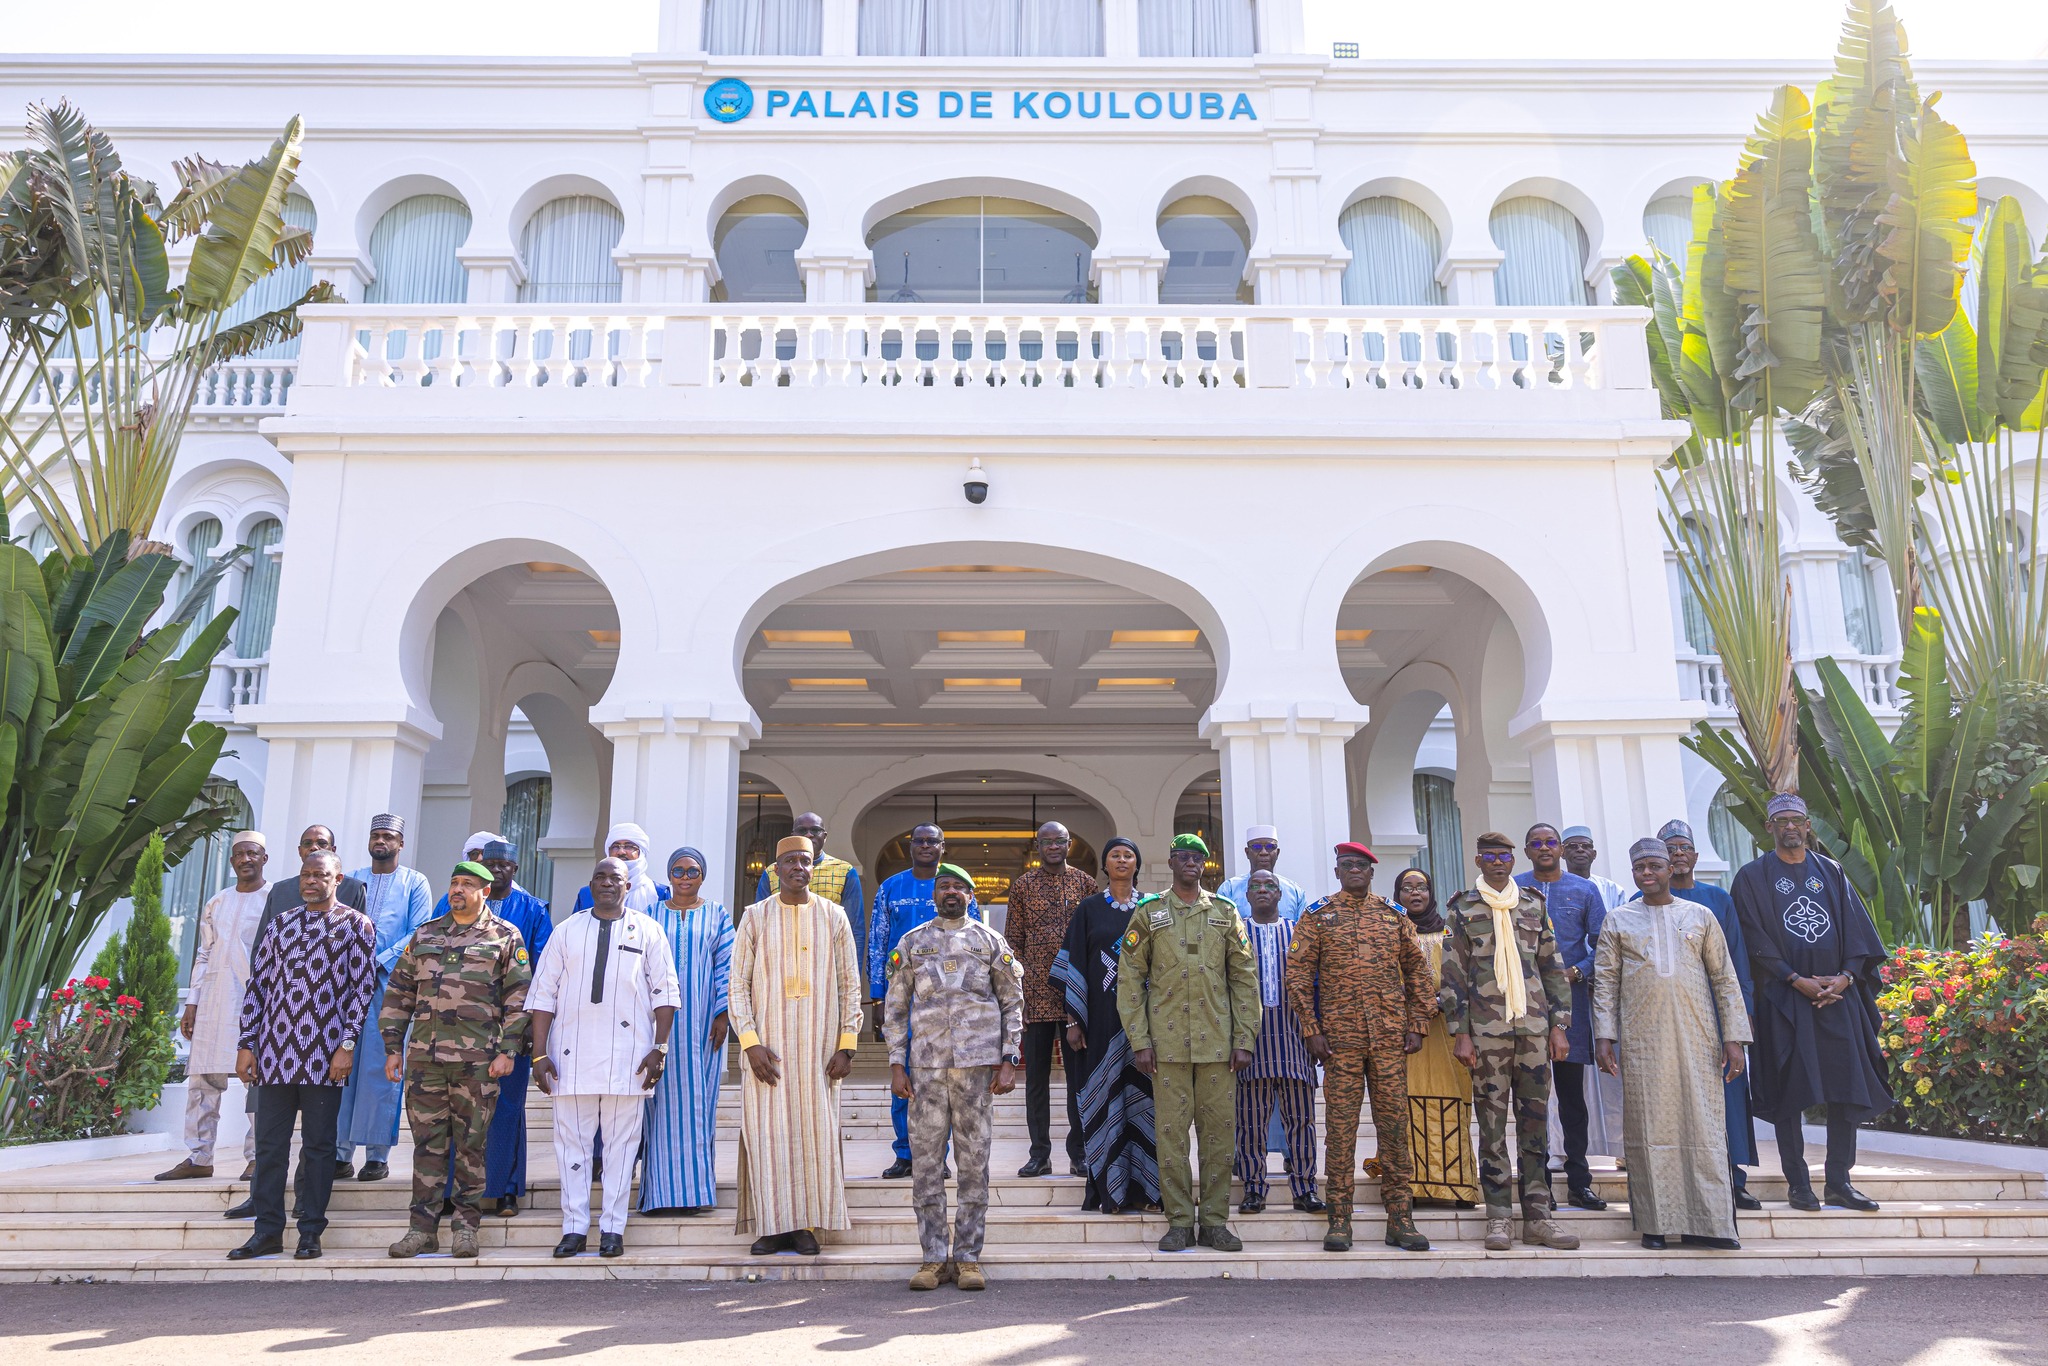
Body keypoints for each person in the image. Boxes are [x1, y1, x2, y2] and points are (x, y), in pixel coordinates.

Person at [1732, 794, 1892, 1214]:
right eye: (1781, 820)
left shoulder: (1831, 871)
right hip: (1786, 1001)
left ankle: (1839, 1181)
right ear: (1769, 827)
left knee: (1846, 1088)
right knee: (1790, 1092)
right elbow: (1753, 937)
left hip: (1838, 999)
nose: (1790, 826)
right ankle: (1798, 1184)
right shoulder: (1752, 877)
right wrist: (1794, 979)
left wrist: (1845, 977)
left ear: (1807, 826)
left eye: (1797, 820)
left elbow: (1857, 931)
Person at [1595, 838, 1753, 1251]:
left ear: (1669, 869)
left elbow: (1725, 979)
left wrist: (1733, 1038)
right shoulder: (1618, 920)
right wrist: (1603, 1036)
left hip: (1699, 1036)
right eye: (1639, 869)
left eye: (1654, 867)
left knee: (1703, 1124)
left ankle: (1711, 1224)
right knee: (1649, 1127)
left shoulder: (1700, 916)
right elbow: (1606, 983)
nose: (1647, 874)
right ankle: (1655, 1223)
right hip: (1642, 1040)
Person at [227, 851, 377, 1262]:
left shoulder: (356, 925)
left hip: (324, 1058)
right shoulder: (280, 924)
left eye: (320, 875)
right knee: (270, 1147)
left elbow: (361, 991)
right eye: (305, 875)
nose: (310, 881)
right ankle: (267, 1231)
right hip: (274, 1056)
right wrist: (246, 1044)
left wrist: (346, 1046)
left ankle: (310, 1231)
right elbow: (257, 987)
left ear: (338, 878)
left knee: (318, 1148)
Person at [528, 857, 679, 1258]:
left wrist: (659, 1049)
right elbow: (542, 995)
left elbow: (666, 994)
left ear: (628, 887)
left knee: (621, 1148)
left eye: (616, 878)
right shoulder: (566, 930)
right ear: (590, 884)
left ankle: (613, 1229)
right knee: (571, 1147)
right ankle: (574, 1227)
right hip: (569, 1056)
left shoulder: (648, 930)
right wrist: (538, 1054)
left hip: (628, 1056)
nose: (608, 883)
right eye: (601, 877)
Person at [884, 864, 1024, 1292]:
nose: (950, 892)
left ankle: (967, 1257)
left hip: (976, 1070)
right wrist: (895, 1062)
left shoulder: (989, 942)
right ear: (934, 894)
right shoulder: (912, 943)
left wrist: (1009, 1058)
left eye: (958, 887)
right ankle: (931, 1258)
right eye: (943, 886)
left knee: (974, 1163)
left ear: (970, 893)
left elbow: (1012, 1003)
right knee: (926, 1164)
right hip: (925, 1069)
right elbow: (895, 1006)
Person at [382, 861, 532, 1260]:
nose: (457, 890)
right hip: (424, 1061)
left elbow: (519, 1001)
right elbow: (399, 994)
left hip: (477, 1062)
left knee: (471, 1146)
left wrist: (508, 1051)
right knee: (427, 1145)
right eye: (454, 883)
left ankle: (466, 1227)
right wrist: (393, 1047)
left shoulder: (504, 936)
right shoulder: (426, 934)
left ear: (485, 891)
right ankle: (421, 1230)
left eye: (467, 884)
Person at [1285, 843, 1431, 1252]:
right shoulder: (1318, 916)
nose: (1354, 871)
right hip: (1339, 1041)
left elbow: (1418, 970)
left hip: (1388, 1038)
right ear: (1337, 871)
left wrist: (1418, 1023)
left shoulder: (1392, 916)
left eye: (1361, 866)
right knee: (1341, 1130)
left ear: (1372, 872)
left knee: (1395, 1129)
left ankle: (1400, 1219)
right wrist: (1311, 1028)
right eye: (1347, 865)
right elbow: (1297, 973)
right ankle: (1340, 1220)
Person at [1118, 832, 1258, 1253]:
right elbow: (1129, 981)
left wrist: (1245, 1038)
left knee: (1219, 1136)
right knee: (1172, 1136)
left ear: (1205, 865)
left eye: (1197, 858)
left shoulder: (1225, 912)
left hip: (1218, 1045)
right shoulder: (1149, 912)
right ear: (1172, 862)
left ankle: (1214, 1222)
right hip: (1167, 1047)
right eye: (1183, 857)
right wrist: (1140, 1040)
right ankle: (1179, 1221)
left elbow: (1244, 979)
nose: (1190, 864)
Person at [1443, 833, 1579, 1253]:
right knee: (1492, 1127)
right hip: (1486, 1035)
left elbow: (1552, 968)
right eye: (1490, 856)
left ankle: (1539, 1216)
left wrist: (1560, 1025)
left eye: (1505, 856)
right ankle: (1499, 1218)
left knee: (1535, 1125)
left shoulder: (1534, 904)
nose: (1498, 862)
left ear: (1512, 859)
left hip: (1534, 1030)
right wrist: (1460, 1033)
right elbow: (1452, 976)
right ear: (1479, 860)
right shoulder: (1463, 908)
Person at [732, 836, 864, 1256]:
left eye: (805, 861)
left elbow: (849, 984)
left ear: (813, 868)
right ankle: (771, 1226)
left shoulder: (834, 916)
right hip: (766, 1051)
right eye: (789, 861)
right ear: (775, 869)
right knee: (768, 1134)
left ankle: (805, 1224)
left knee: (813, 1134)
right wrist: (750, 1043)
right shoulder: (754, 917)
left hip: (819, 1051)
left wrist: (847, 1044)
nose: (798, 868)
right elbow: (737, 986)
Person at [1640, 818, 1760, 1210]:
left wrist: (1739, 1021)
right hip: (1667, 1021)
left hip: (1715, 1019)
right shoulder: (1637, 908)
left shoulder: (1718, 900)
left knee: (1727, 1096)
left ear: (1694, 854)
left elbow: (1736, 965)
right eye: (1668, 849)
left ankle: (1733, 1179)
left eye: (1682, 848)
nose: (1676, 855)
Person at [1050, 836, 1160, 1215]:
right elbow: (1075, 962)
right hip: (1098, 1021)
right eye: (1115, 854)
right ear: (1105, 864)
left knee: (1145, 1104)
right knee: (1104, 1099)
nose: (1122, 860)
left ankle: (1148, 1191)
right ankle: (1108, 1192)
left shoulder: (1153, 908)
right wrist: (1073, 1019)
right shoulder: (1089, 909)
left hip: (1147, 1024)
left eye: (1128, 855)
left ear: (1137, 863)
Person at [867, 823, 981, 1179]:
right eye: (920, 840)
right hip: (903, 999)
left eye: (933, 841)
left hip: (948, 1001)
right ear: (909, 846)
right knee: (902, 1077)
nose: (926, 846)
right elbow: (876, 943)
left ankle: (938, 1154)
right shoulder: (890, 888)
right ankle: (905, 1153)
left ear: (943, 847)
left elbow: (975, 943)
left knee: (943, 1079)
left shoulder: (956, 889)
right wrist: (877, 999)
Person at [157, 832, 268, 1182]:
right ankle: (199, 1156)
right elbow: (204, 954)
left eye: (253, 853)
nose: (246, 859)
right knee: (202, 1080)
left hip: (254, 1001)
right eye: (239, 854)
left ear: (264, 858)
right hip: (213, 1000)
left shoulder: (275, 898)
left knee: (257, 1082)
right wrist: (192, 1004)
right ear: (232, 861)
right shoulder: (217, 901)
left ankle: (258, 1157)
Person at [1515, 822, 1611, 1211]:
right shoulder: (1514, 888)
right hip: (1523, 1007)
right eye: (1536, 843)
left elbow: (1602, 944)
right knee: (1530, 1099)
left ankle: (1579, 1181)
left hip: (1571, 1006)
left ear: (1560, 849)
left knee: (1572, 1099)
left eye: (1550, 842)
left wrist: (1577, 971)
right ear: (1527, 850)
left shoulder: (1584, 890)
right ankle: (1537, 1185)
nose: (1544, 848)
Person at [336, 814, 434, 1182]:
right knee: (341, 1067)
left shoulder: (415, 882)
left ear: (400, 843)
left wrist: (378, 958)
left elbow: (419, 931)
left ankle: (377, 1155)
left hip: (388, 985)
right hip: (345, 983)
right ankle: (340, 1153)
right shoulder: (352, 877)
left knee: (382, 1067)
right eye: (376, 835)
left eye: (388, 836)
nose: (381, 841)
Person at [640, 846, 734, 1218]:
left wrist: (722, 1014)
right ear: (669, 875)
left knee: (698, 1106)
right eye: (677, 871)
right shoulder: (650, 915)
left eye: (692, 871)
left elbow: (727, 964)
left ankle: (695, 1192)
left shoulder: (717, 914)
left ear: (702, 876)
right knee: (658, 1107)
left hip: (701, 1027)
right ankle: (658, 1194)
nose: (684, 877)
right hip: (656, 1028)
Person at [1005, 821, 1098, 1178]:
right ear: (1037, 845)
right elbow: (1012, 943)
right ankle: (1039, 1154)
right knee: (1037, 1082)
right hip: (1035, 998)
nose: (1054, 846)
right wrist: (1020, 996)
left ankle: (1080, 1153)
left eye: (1060, 840)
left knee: (1079, 1080)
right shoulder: (1023, 886)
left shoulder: (1085, 884)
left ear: (1069, 844)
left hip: (1075, 997)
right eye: (1047, 841)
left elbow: (1092, 941)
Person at [469, 839, 554, 1217]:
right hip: (464, 1026)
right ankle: (459, 1190)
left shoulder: (534, 910)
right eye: (491, 863)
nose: (498, 869)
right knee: (463, 1107)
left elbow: (545, 971)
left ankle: (504, 1189)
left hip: (512, 1026)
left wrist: (530, 1031)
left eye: (505, 864)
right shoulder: (459, 904)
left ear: (515, 869)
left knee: (507, 1106)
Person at [1233, 869, 1323, 1218]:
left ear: (1281, 893)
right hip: (1249, 1040)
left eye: (1270, 885)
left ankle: (1305, 1188)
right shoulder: (1235, 930)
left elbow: (1316, 982)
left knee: (1301, 1119)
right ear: (1247, 893)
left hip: (1295, 1038)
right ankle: (1254, 1189)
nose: (1263, 891)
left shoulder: (1299, 931)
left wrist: (1316, 1032)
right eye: (1255, 886)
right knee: (1250, 1121)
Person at [1390, 868, 1479, 1207]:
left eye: (1422, 887)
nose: (1416, 894)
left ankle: (1458, 1186)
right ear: (1398, 894)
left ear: (1431, 893)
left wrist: (1446, 1001)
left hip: (1450, 1031)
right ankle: (1411, 1185)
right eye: (1407, 888)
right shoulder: (1391, 930)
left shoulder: (1450, 929)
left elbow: (1467, 973)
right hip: (1407, 1033)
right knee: (1407, 1106)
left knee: (1452, 1100)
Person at [754, 811, 864, 957]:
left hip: (827, 960)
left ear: (824, 836)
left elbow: (854, 930)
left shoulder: (845, 872)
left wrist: (851, 975)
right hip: (780, 957)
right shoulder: (773, 872)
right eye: (802, 831)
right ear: (793, 835)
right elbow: (759, 924)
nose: (808, 835)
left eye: (815, 830)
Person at [1215, 826, 1310, 923]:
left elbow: (1303, 931)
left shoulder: (1294, 891)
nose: (1263, 852)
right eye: (1257, 847)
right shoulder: (1229, 889)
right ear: (1247, 853)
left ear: (1277, 853)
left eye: (1270, 847)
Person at [575, 823, 669, 913]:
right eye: (615, 847)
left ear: (641, 852)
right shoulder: (587, 894)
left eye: (629, 846)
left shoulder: (659, 893)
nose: (621, 852)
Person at [1561, 825, 1628, 911]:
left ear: (1594, 854)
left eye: (1586, 846)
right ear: (1562, 853)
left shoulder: (1613, 890)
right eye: (1573, 846)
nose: (1580, 850)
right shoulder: (1555, 889)